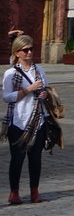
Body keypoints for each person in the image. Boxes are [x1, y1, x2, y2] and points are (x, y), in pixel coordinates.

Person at [4, 35, 55, 204]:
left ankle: (35, 191)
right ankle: (14, 192)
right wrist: (28, 89)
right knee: (17, 159)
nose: (30, 52)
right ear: (17, 52)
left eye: (31, 49)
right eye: (25, 50)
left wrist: (44, 93)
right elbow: (7, 97)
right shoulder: (11, 74)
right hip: (18, 121)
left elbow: (45, 89)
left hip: (38, 119)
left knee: (36, 159)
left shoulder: (39, 70)